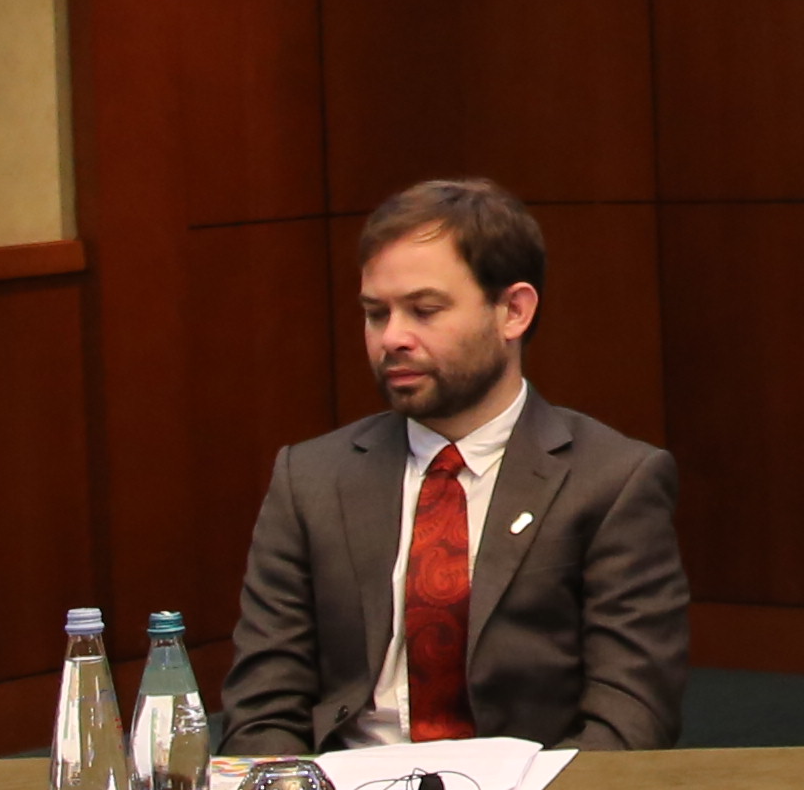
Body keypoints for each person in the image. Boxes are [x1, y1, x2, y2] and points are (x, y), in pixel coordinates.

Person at [220, 178, 691, 754]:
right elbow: (262, 711)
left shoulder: (612, 481)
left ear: (513, 311)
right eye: (376, 314)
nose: (393, 338)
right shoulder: (311, 479)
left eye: (425, 310)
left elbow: (632, 717)